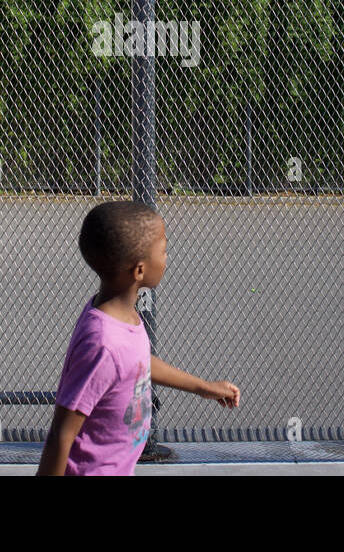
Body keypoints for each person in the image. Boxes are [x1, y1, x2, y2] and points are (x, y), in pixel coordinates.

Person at [37, 201, 240, 475]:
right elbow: (61, 434)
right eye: (164, 250)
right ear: (139, 270)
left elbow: (137, 362)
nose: (167, 258)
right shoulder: (103, 344)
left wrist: (203, 387)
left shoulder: (121, 316)